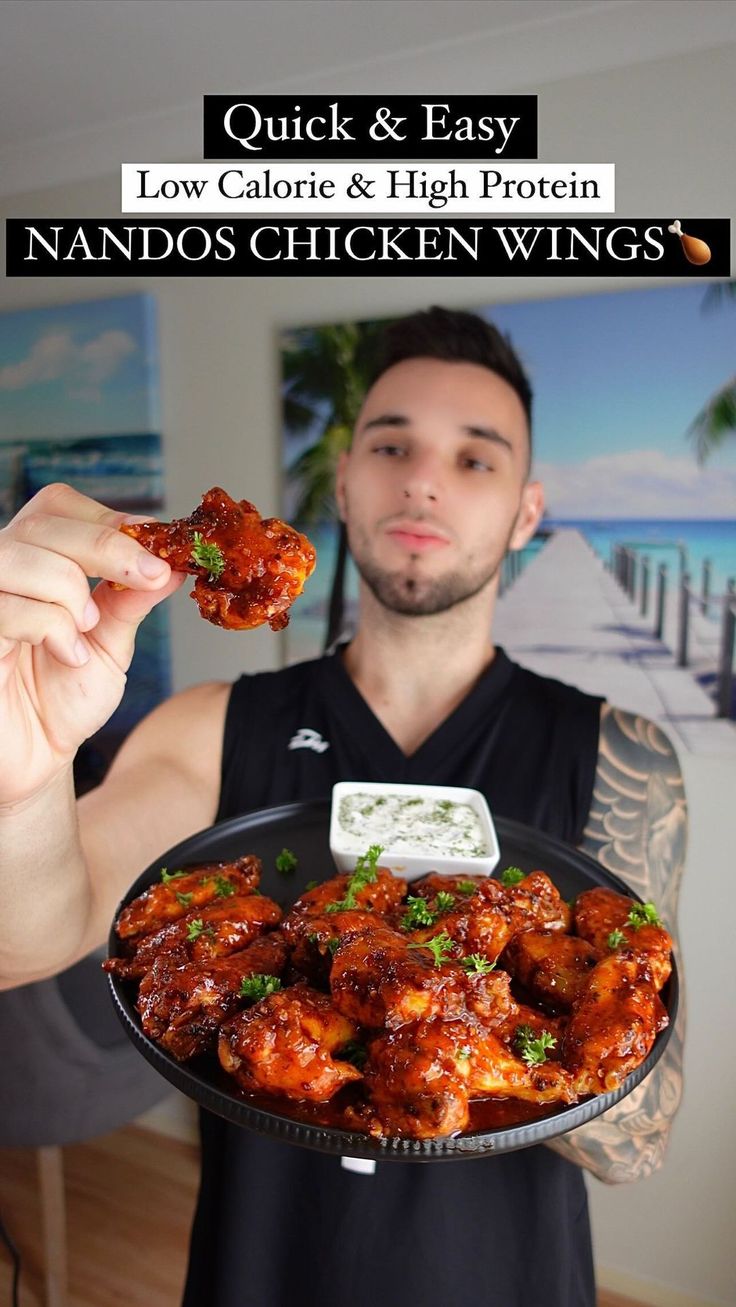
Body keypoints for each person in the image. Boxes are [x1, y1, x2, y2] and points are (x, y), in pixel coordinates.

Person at [0, 307, 685, 1307]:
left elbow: (642, 1127)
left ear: (526, 512)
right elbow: (31, 938)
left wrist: (447, 1036)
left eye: (474, 458)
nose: (423, 478)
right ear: (346, 481)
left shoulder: (621, 753)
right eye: (391, 444)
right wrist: (20, 782)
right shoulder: (210, 724)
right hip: (259, 1273)